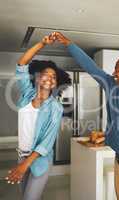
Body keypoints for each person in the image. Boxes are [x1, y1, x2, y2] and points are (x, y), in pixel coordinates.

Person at [54, 32, 119, 200]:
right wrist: (69, 44)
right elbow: (91, 67)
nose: (113, 73)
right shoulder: (111, 86)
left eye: (117, 70)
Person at [5, 34, 71, 200]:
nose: (50, 78)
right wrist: (42, 43)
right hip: (22, 155)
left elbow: (46, 143)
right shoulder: (27, 94)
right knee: (25, 196)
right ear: (37, 77)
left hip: (39, 160)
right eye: (46, 74)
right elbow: (21, 65)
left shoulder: (55, 107)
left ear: (56, 83)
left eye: (54, 76)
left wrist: (24, 166)